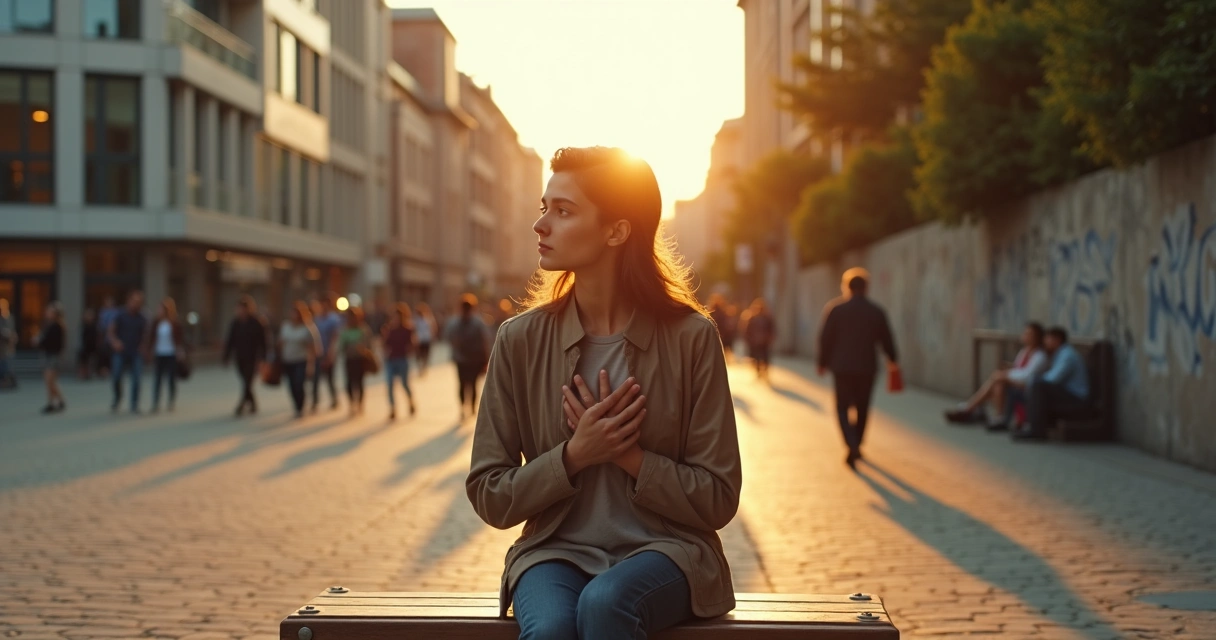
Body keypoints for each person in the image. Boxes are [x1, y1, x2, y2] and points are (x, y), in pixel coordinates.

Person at [466, 146, 742, 640]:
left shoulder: (691, 338)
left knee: (606, 603)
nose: (540, 225)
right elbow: (490, 492)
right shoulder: (519, 340)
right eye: (544, 207)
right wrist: (574, 455)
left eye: (563, 211)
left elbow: (718, 498)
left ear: (616, 231)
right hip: (553, 551)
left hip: (670, 550)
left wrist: (630, 458)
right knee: (551, 629)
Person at [816, 268, 899, 469]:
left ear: (846, 287)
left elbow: (825, 339)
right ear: (866, 288)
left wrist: (822, 362)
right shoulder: (876, 311)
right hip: (866, 368)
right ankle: (857, 443)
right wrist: (893, 359)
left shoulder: (836, 310)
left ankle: (851, 443)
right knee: (863, 407)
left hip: (842, 368)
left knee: (842, 407)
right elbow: (887, 338)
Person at [944, 322, 1048, 428]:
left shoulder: (1040, 356)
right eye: (1025, 333)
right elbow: (1018, 369)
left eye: (1030, 334)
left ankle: (970, 408)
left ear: (1037, 337)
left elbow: (1027, 376)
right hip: (1017, 383)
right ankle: (996, 416)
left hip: (1029, 387)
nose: (1026, 336)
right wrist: (1008, 371)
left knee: (998, 378)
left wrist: (1006, 375)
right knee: (998, 384)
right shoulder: (1024, 352)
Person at [1019, 326, 1091, 441]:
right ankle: (1028, 426)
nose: (1044, 342)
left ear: (1057, 340)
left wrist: (1033, 382)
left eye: (1048, 339)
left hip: (1077, 399)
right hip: (1068, 395)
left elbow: (1053, 379)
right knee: (1035, 383)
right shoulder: (1059, 354)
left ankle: (1036, 430)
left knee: (1037, 384)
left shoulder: (1067, 355)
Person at [445, 293, 491, 420]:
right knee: (471, 384)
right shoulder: (478, 323)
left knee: (464, 384)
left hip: (464, 359)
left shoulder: (456, 322)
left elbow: (448, 338)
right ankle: (469, 408)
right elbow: (485, 342)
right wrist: (485, 359)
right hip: (471, 359)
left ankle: (465, 408)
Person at [223, 295, 268, 416]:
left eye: (243, 308)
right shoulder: (235, 323)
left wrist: (263, 358)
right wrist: (226, 356)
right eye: (239, 308)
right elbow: (230, 340)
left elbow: (263, 342)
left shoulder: (256, 323)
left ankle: (241, 404)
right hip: (240, 357)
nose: (240, 311)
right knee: (245, 381)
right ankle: (253, 403)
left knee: (248, 381)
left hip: (252, 357)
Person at [108, 290, 148, 414]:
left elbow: (145, 335)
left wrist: (143, 346)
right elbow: (110, 332)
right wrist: (115, 342)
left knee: (136, 379)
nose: (136, 304)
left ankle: (134, 404)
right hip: (121, 351)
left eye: (139, 302)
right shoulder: (120, 315)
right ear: (128, 301)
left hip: (135, 352)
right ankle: (117, 397)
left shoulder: (142, 317)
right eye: (134, 301)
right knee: (116, 376)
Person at [279, 301, 321, 418]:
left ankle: (301, 406)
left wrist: (311, 364)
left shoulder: (307, 328)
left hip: (301, 360)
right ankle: (296, 406)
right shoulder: (286, 326)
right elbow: (281, 343)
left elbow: (313, 348)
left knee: (299, 384)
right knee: (291, 385)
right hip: (288, 360)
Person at [146, 298, 187, 413]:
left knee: (171, 379)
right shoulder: (156, 322)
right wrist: (149, 350)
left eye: (161, 309)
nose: (159, 311)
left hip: (171, 353)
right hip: (159, 353)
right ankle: (156, 403)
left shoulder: (174, 323)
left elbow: (180, 338)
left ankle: (171, 401)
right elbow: (151, 337)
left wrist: (180, 351)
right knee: (157, 379)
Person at [382, 302, 417, 419]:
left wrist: (409, 350)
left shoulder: (407, 329)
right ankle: (392, 408)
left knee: (404, 384)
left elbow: (412, 344)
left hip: (402, 359)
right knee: (390, 384)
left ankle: (410, 401)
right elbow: (385, 344)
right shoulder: (389, 329)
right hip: (391, 360)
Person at [338, 307, 372, 416]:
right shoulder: (345, 330)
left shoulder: (363, 329)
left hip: (360, 359)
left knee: (359, 382)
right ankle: (352, 402)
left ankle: (360, 403)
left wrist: (363, 349)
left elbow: (369, 344)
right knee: (349, 383)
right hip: (349, 359)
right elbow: (341, 345)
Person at [310, 296, 342, 412]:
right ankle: (314, 401)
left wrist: (331, 352)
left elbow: (335, 337)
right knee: (315, 379)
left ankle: (334, 398)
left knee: (330, 378)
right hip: (318, 353)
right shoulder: (316, 319)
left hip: (329, 352)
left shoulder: (333, 319)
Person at [36, 302, 66, 413]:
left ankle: (51, 403)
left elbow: (53, 343)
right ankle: (60, 401)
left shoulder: (56, 326)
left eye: (50, 311)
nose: (47, 313)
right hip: (50, 355)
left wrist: (40, 342)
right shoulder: (50, 325)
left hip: (53, 356)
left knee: (50, 381)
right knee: (50, 382)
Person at [739, 298, 776, 380]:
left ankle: (763, 370)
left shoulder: (766, 318)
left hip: (763, 342)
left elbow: (771, 329)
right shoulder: (752, 318)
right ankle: (759, 370)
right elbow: (747, 330)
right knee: (757, 358)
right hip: (755, 342)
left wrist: (769, 338)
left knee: (764, 357)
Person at [96, 295, 120, 378]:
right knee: (104, 355)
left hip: (114, 339)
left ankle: (113, 370)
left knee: (113, 356)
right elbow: (101, 327)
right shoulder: (103, 312)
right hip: (105, 340)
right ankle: (104, 371)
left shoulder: (116, 312)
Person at [414, 302, 436, 376]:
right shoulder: (416, 320)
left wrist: (432, 336)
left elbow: (433, 328)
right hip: (419, 340)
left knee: (426, 355)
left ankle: (424, 367)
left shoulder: (428, 319)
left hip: (426, 339)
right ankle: (420, 367)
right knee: (419, 356)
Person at [76, 309, 99, 380]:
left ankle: (89, 374)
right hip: (84, 347)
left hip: (92, 347)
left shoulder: (94, 326)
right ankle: (82, 374)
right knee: (83, 361)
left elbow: (96, 336)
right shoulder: (83, 325)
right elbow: (80, 337)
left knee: (91, 361)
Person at [0, 298, 16, 389]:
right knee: (3, 363)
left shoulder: (10, 317)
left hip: (9, 346)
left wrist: (12, 336)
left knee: (8, 363)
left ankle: (9, 381)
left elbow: (12, 330)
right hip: (2, 346)